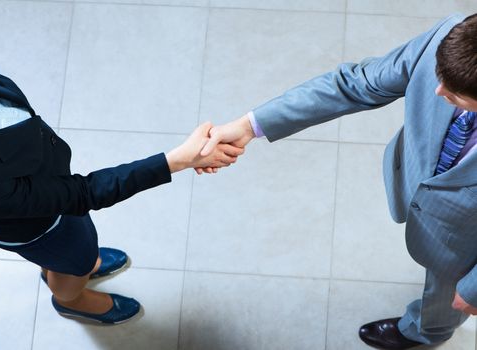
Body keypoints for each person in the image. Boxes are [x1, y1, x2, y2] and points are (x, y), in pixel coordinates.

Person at [199, 13, 477, 350]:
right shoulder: (450, 37)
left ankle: (425, 332)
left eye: (457, 96)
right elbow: (354, 85)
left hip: (466, 245)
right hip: (422, 189)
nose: (437, 91)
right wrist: (249, 126)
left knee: (446, 302)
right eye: (439, 77)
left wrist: (473, 289)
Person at [0, 36, 243, 325]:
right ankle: (72, 300)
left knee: (74, 253)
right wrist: (178, 160)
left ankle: (66, 265)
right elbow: (82, 193)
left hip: (42, 193)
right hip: (37, 226)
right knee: (77, 261)